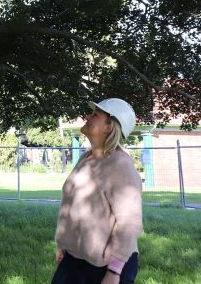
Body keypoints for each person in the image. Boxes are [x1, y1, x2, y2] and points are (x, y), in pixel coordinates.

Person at [52, 98, 143, 284]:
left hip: (108, 265)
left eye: (95, 115)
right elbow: (73, 205)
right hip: (75, 258)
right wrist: (64, 245)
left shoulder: (121, 165)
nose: (88, 117)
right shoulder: (86, 158)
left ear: (109, 127)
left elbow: (129, 223)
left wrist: (114, 272)